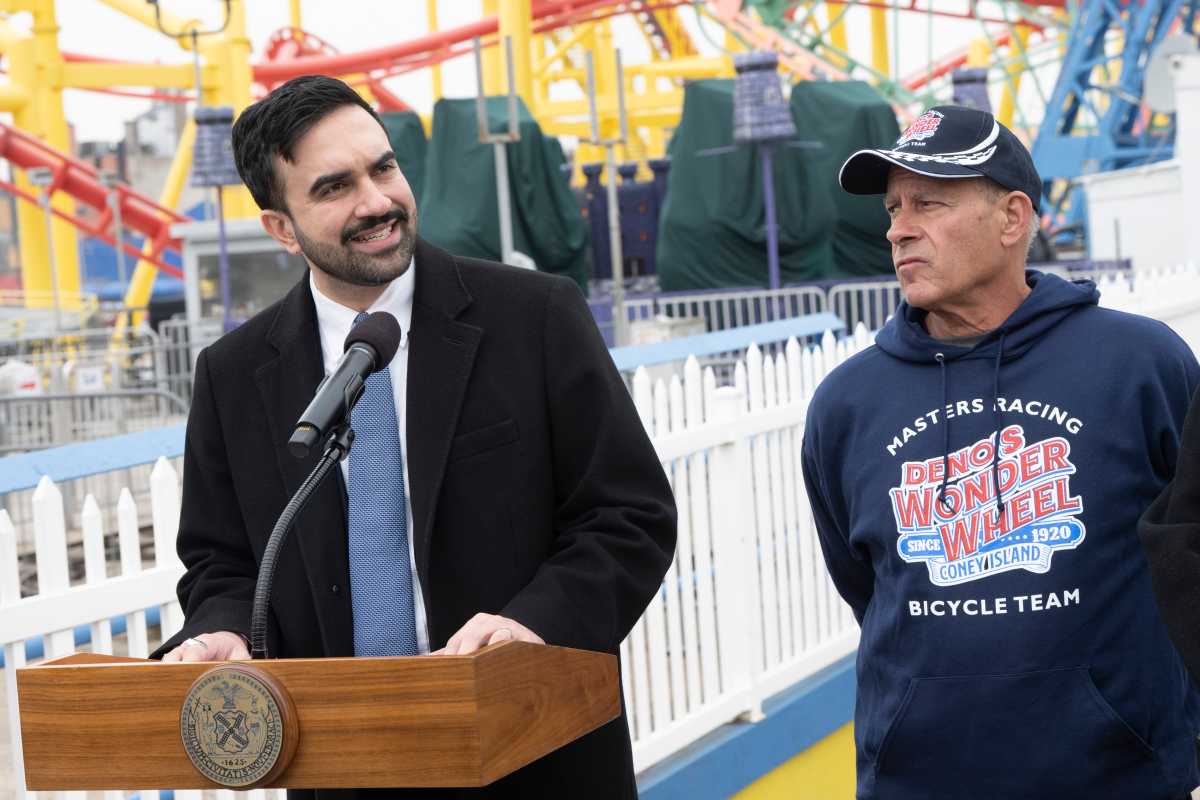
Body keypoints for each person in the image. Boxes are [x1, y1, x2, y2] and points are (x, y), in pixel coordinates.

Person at [152, 75, 676, 799]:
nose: (376, 202)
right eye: (335, 187)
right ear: (281, 227)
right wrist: (223, 628)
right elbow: (222, 562)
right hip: (337, 767)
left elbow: (629, 516)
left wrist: (532, 624)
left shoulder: (537, 317)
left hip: (535, 755)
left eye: (384, 167)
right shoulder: (233, 376)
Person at [800, 105, 1200, 799]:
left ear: (1014, 218)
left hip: (1119, 777)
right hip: (917, 783)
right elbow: (866, 582)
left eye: (929, 201)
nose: (899, 228)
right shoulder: (847, 405)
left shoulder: (1141, 365)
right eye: (894, 207)